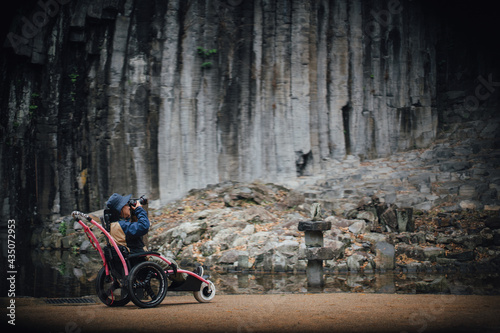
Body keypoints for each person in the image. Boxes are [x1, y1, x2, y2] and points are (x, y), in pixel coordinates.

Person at [105, 193, 203, 278]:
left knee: (167, 261)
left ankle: (183, 277)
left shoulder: (113, 226)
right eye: (127, 205)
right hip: (139, 259)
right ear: (121, 209)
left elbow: (133, 232)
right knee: (171, 264)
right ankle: (188, 279)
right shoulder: (124, 226)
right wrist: (139, 210)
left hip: (128, 260)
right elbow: (144, 227)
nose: (129, 207)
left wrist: (133, 214)